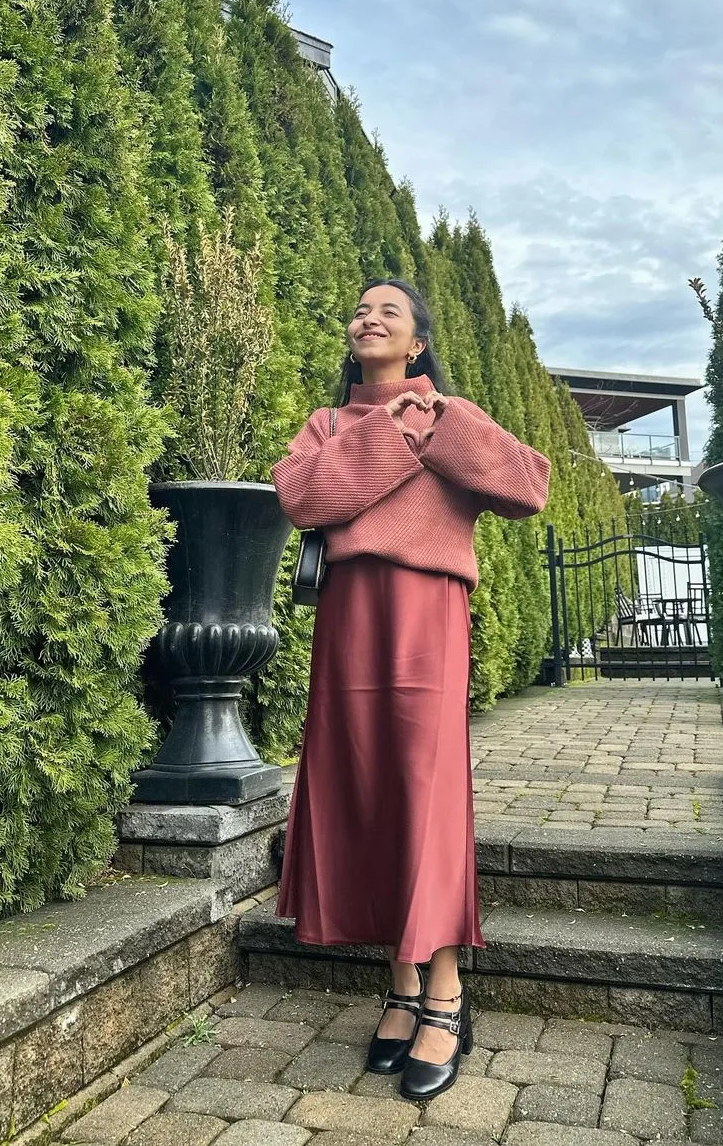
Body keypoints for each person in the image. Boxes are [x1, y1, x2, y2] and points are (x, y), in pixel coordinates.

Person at [270, 278, 551, 1102]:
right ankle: (400, 987)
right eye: (360, 310)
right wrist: (387, 435)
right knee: (366, 791)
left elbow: (529, 486)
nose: (368, 318)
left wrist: (440, 425)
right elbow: (302, 496)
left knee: (427, 794)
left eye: (387, 311)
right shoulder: (328, 425)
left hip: (428, 611)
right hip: (349, 616)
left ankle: (447, 995)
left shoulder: (449, 417)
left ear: (417, 341)